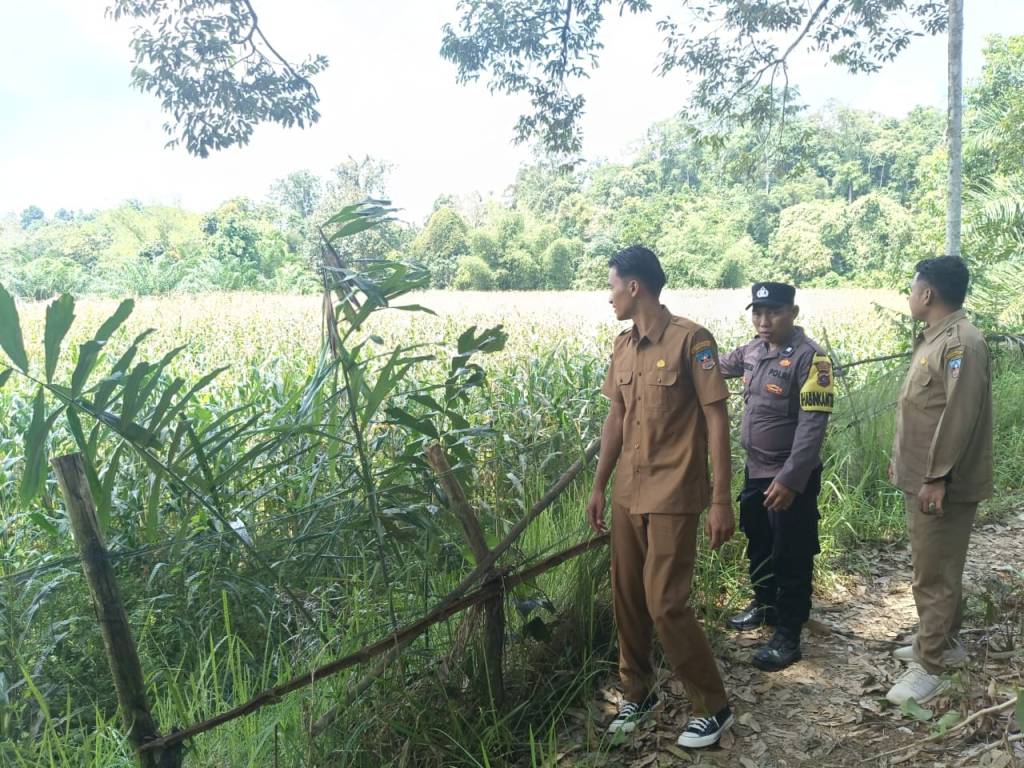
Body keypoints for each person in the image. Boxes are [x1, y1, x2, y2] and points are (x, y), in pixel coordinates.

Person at [587, 245, 736, 749]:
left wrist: (722, 500)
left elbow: (717, 420)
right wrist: (599, 485)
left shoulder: (693, 340)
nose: (608, 297)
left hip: (674, 493)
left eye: (611, 286)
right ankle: (638, 692)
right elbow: (616, 420)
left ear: (634, 287)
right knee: (628, 596)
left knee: (666, 603)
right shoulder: (623, 346)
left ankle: (713, 707)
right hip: (629, 492)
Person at [886, 256, 993, 706]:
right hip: (924, 477)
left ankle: (929, 665)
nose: (910, 295)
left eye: (914, 288)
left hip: (940, 483)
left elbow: (958, 417)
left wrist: (936, 477)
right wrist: (903, 463)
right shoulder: (935, 340)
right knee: (936, 564)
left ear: (927, 294)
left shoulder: (961, 343)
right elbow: (921, 410)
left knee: (933, 574)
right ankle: (943, 641)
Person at [718, 282, 834, 671]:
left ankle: (788, 633)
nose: (764, 321)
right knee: (759, 542)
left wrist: (789, 479)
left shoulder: (812, 359)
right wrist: (684, 347)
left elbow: (812, 427)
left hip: (788, 478)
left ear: (793, 312)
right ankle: (766, 606)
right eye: (757, 313)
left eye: (774, 312)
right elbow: (714, 365)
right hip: (755, 471)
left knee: (792, 553)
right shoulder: (752, 350)